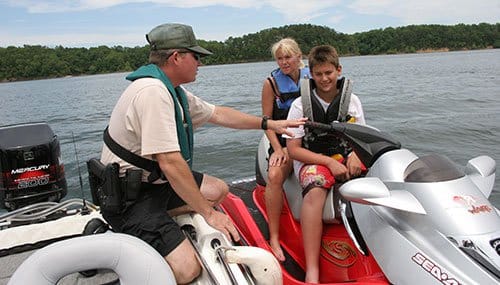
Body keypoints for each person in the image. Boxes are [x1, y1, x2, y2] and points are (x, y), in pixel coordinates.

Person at [99, 23, 305, 284]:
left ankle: (164, 218)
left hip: (154, 184)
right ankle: (131, 232)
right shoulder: (152, 93)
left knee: (218, 190)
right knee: (187, 269)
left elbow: (218, 114)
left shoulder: (172, 90)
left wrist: (268, 124)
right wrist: (209, 215)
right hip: (131, 199)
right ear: (176, 57)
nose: (200, 63)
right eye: (196, 56)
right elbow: (171, 162)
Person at [284, 45, 366, 283]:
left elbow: (361, 138)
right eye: (318, 74)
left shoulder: (353, 102)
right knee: (316, 190)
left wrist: (356, 156)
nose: (324, 79)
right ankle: (312, 269)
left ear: (338, 70)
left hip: (345, 157)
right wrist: (328, 164)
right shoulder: (299, 105)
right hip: (312, 159)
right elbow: (294, 149)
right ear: (311, 74)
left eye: (329, 72)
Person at [260, 38, 310, 262]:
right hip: (284, 139)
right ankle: (274, 236)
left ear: (299, 56)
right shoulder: (271, 84)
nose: (283, 62)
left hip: (310, 138)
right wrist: (278, 149)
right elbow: (266, 122)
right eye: (279, 58)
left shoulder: (314, 77)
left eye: (288, 57)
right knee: (274, 175)